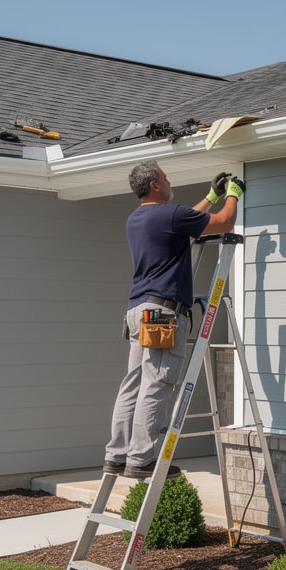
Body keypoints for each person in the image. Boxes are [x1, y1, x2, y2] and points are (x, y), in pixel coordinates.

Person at [104, 160, 244, 479]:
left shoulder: (138, 218)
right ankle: (141, 459)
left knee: (134, 384)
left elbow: (184, 223)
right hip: (163, 313)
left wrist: (211, 195)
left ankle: (117, 455)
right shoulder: (169, 214)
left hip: (138, 311)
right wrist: (233, 195)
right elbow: (223, 223)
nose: (169, 182)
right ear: (155, 184)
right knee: (158, 383)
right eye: (165, 178)